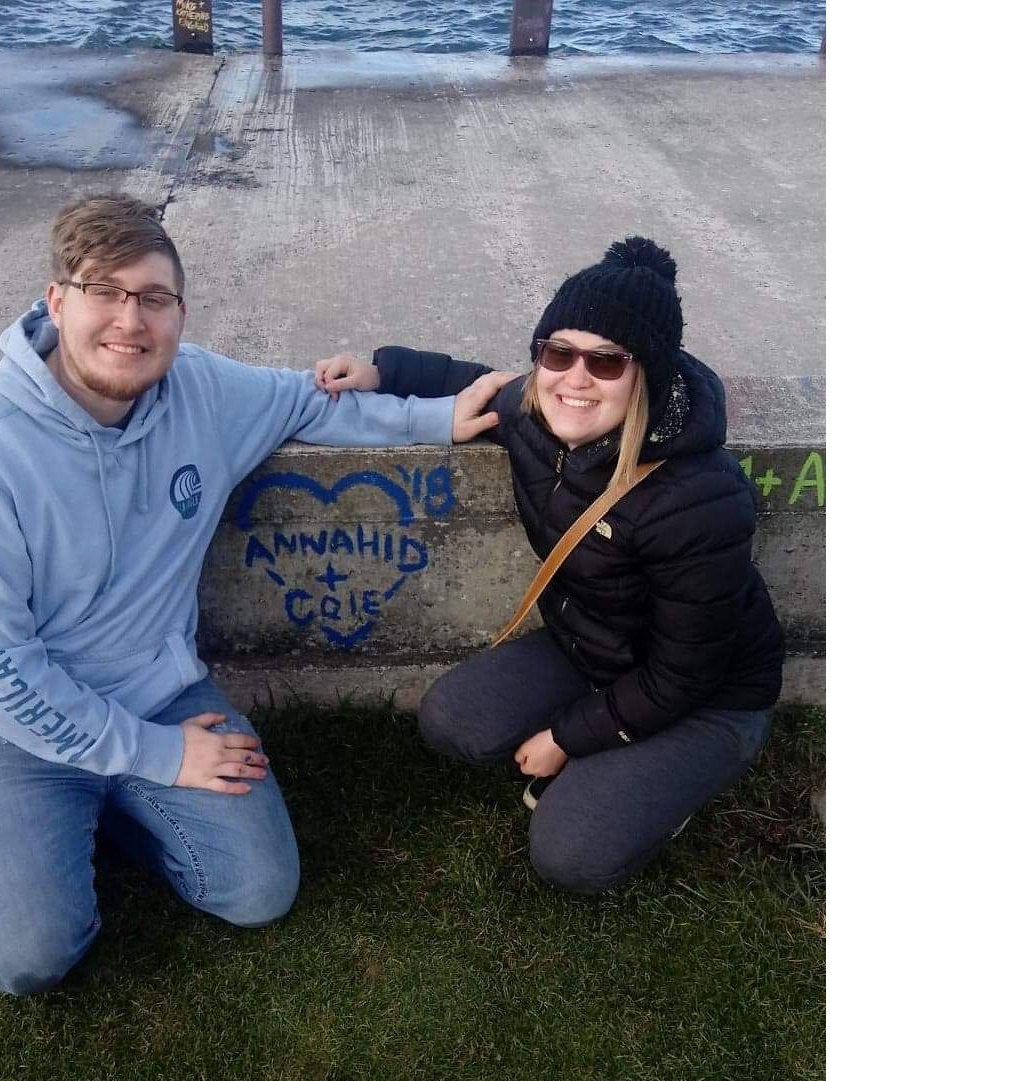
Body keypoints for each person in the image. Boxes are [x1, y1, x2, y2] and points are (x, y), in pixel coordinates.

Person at [0, 194, 505, 994]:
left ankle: (106, 809)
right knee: (29, 959)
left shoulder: (201, 391)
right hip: (10, 723)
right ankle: (34, 814)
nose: (129, 320)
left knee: (257, 893)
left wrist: (434, 415)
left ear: (180, 314)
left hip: (159, 693)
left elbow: (308, 398)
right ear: (55, 302)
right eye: (102, 293)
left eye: (153, 298)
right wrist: (163, 757)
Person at [315, 237, 785, 894]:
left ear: (647, 371)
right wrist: (382, 370)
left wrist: (567, 737)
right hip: (595, 647)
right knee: (452, 721)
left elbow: (686, 672)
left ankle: (672, 785)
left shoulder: (700, 499)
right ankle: (616, 748)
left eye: (607, 361)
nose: (576, 378)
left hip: (709, 696)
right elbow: (471, 382)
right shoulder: (537, 412)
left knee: (571, 856)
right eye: (558, 353)